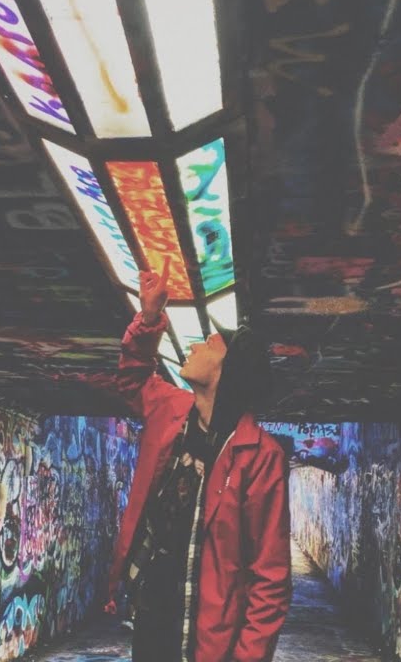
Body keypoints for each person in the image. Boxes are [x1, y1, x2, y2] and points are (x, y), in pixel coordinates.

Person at [103, 259, 292, 662]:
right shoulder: (171, 410)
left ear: (228, 371)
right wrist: (148, 319)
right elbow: (132, 381)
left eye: (208, 344)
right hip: (152, 615)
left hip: (206, 636)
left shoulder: (260, 457)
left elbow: (270, 580)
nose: (193, 346)